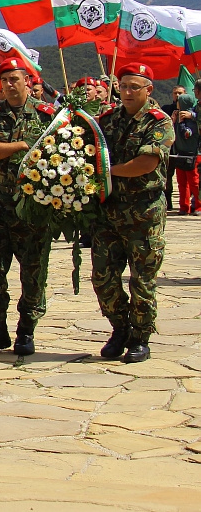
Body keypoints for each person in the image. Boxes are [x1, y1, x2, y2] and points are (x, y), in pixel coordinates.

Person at [0, 59, 56, 356]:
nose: (9, 84)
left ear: (27, 81)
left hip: (33, 209)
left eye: (15, 79)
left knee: (33, 271)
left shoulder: (48, 116)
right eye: (4, 80)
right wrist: (21, 147)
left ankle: (26, 330)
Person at [93, 64, 173, 364]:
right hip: (109, 212)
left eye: (134, 87)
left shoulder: (159, 122)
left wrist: (107, 172)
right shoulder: (107, 120)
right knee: (103, 278)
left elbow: (147, 162)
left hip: (143, 213)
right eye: (123, 86)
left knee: (142, 280)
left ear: (148, 90)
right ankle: (120, 328)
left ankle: (140, 337)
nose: (127, 92)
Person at [170, 93, 198, 216]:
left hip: (192, 154)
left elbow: (187, 135)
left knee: (194, 183)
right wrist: (173, 122)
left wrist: (182, 123)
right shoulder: (178, 116)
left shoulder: (192, 119)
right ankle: (183, 207)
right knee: (182, 183)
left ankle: (198, 206)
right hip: (179, 153)